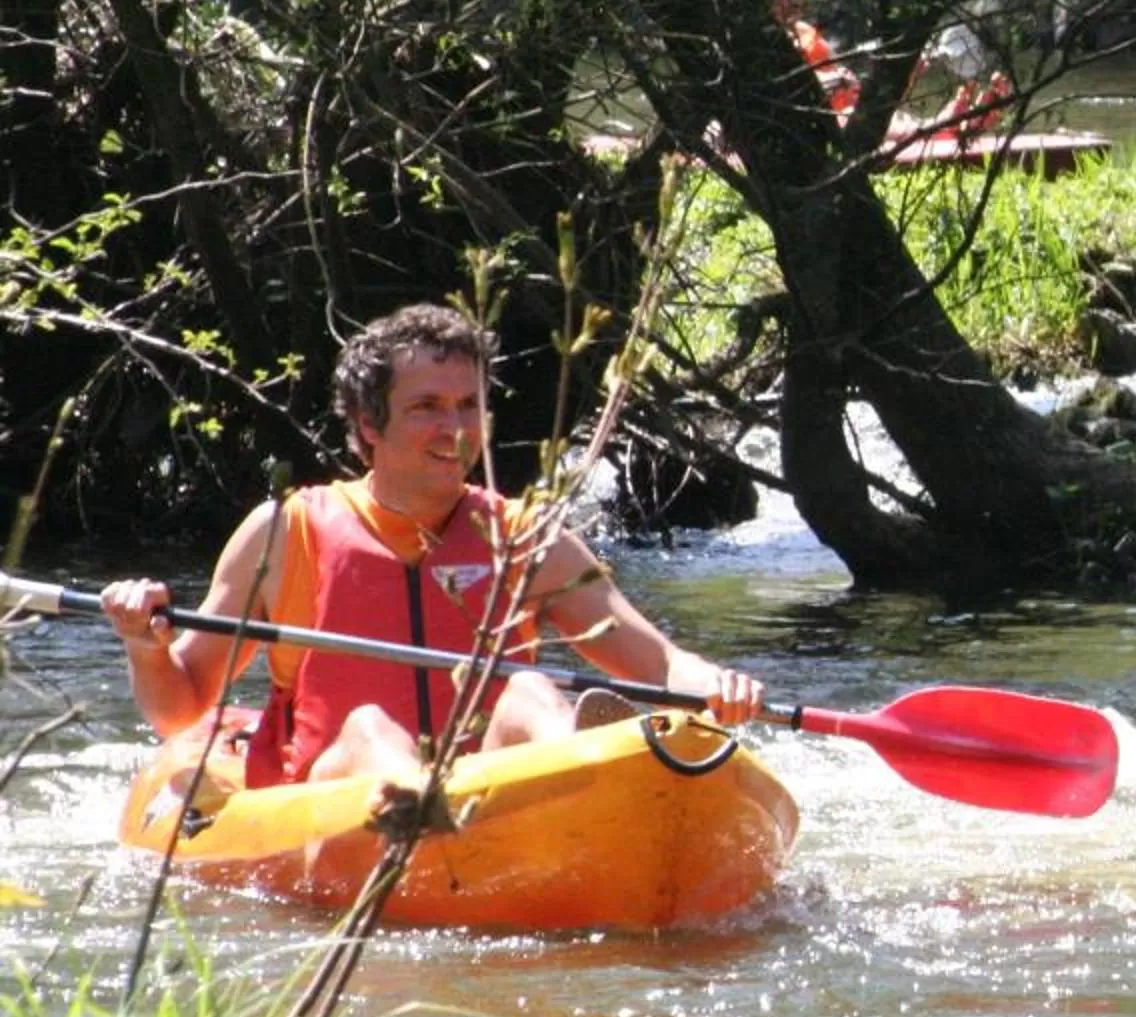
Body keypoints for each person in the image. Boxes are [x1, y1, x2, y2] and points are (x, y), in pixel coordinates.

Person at [99, 304, 764, 795]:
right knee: (369, 727)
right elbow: (181, 708)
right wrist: (143, 642)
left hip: (490, 791)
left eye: (468, 405)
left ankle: (581, 788)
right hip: (333, 789)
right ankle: (417, 804)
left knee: (529, 689)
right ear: (368, 425)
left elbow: (658, 662)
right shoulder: (284, 532)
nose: (455, 429)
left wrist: (714, 686)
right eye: (427, 408)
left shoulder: (525, 535)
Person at [772, 0, 862, 121]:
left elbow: (831, 60)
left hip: (843, 99)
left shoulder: (803, 28)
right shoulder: (775, 39)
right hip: (820, 109)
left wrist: (844, 76)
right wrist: (832, 81)